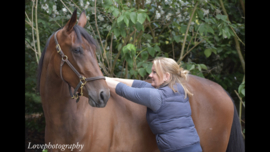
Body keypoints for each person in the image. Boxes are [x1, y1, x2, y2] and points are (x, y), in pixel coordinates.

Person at [105, 57, 202, 152]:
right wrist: (106, 78)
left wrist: (96, 79)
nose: (150, 75)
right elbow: (140, 84)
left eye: (154, 72)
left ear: (166, 76)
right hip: (194, 145)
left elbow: (124, 90)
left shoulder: (156, 97)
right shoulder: (179, 88)